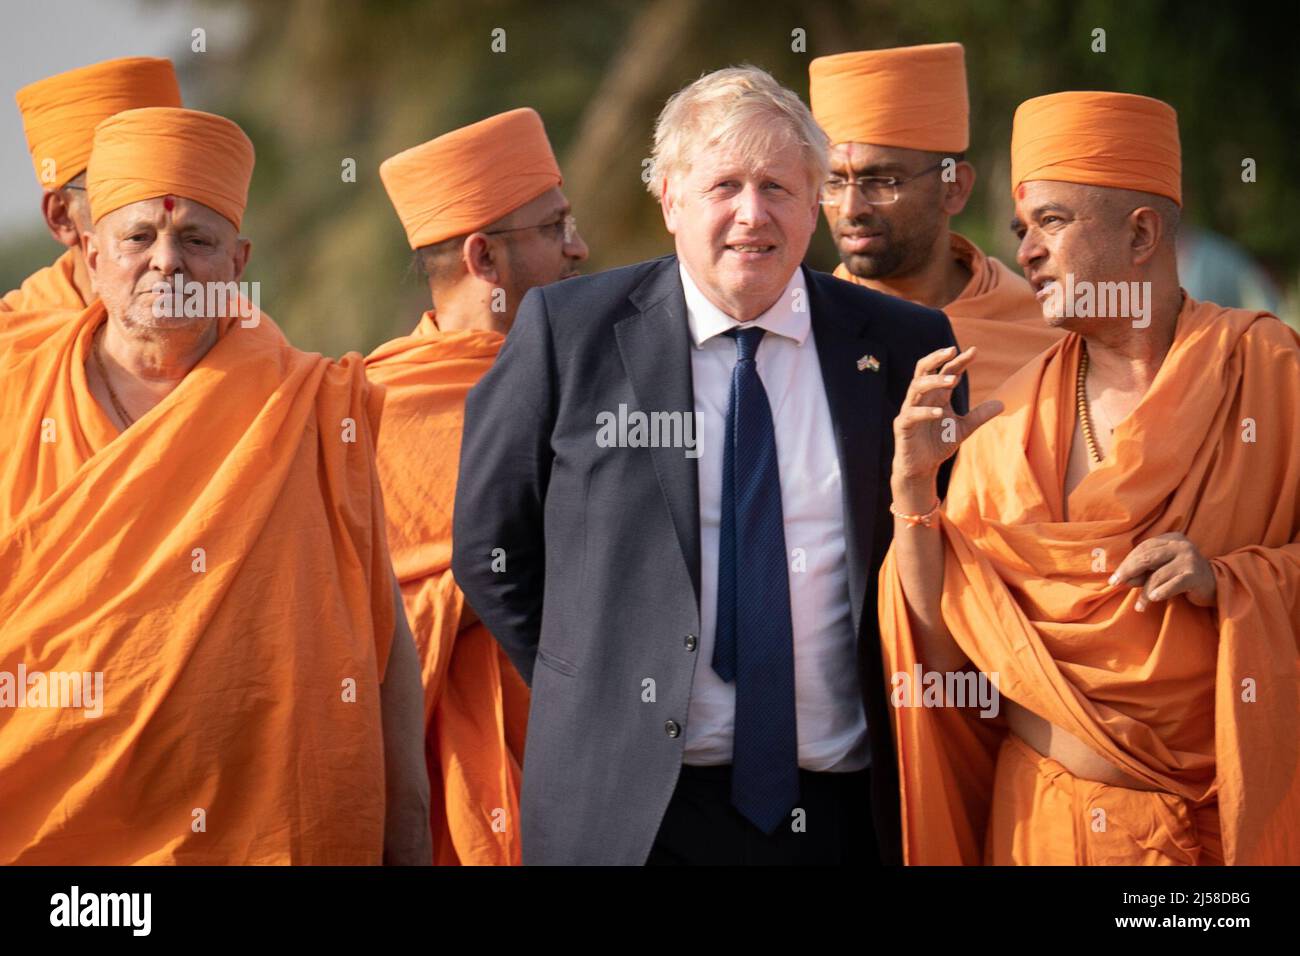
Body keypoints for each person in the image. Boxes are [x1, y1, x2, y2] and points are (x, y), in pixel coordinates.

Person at [452, 66, 965, 865]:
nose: (751, 215)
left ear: (816, 201)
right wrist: (595, 683)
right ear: (670, 198)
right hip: (630, 815)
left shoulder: (904, 345)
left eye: (779, 188)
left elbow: (952, 555)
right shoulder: (569, 333)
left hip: (844, 807)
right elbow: (491, 551)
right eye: (724, 184)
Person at [0, 107, 431, 864]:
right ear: (92, 253)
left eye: (196, 239)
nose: (167, 262)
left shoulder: (315, 408)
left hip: (263, 838)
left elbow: (382, 644)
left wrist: (410, 835)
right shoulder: (13, 399)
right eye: (138, 237)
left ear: (238, 261)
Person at [881, 90, 1300, 865]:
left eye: (1053, 222)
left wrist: (1235, 584)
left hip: (1227, 829)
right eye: (1021, 231)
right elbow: (942, 669)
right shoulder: (1006, 425)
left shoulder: (1271, 374)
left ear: (1141, 233)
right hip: (1045, 827)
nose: (1027, 251)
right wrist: (912, 495)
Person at [366, 107, 587, 864]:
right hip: (434, 812)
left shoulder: (597, 382)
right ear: (483, 259)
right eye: (555, 228)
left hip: (597, 778)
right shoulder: (368, 414)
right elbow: (337, 628)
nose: (579, 247)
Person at [809, 44, 1062, 405]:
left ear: (953, 188)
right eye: (833, 182)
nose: (851, 207)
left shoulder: (1044, 335)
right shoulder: (808, 330)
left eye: (882, 181)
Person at [2, 57, 182, 356]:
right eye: (121, 193)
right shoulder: (11, 351)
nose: (156, 212)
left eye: (174, 192)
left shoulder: (247, 351)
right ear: (62, 217)